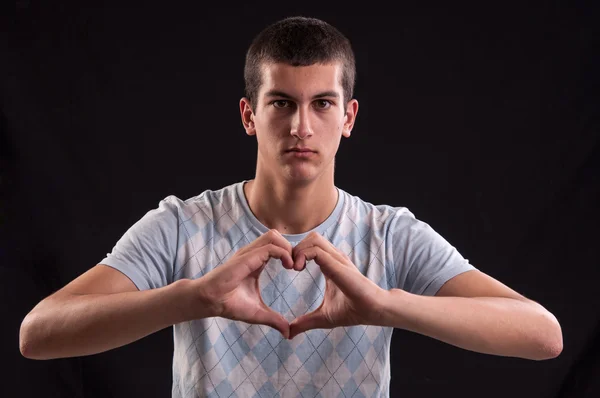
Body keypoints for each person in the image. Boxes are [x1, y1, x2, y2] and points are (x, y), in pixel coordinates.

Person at [19, 16, 562, 398]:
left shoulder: (389, 235)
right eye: (281, 103)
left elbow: (542, 334)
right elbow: (38, 333)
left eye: (321, 103)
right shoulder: (182, 225)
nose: (302, 126)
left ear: (348, 117)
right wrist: (194, 297)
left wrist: (386, 306)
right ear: (249, 114)